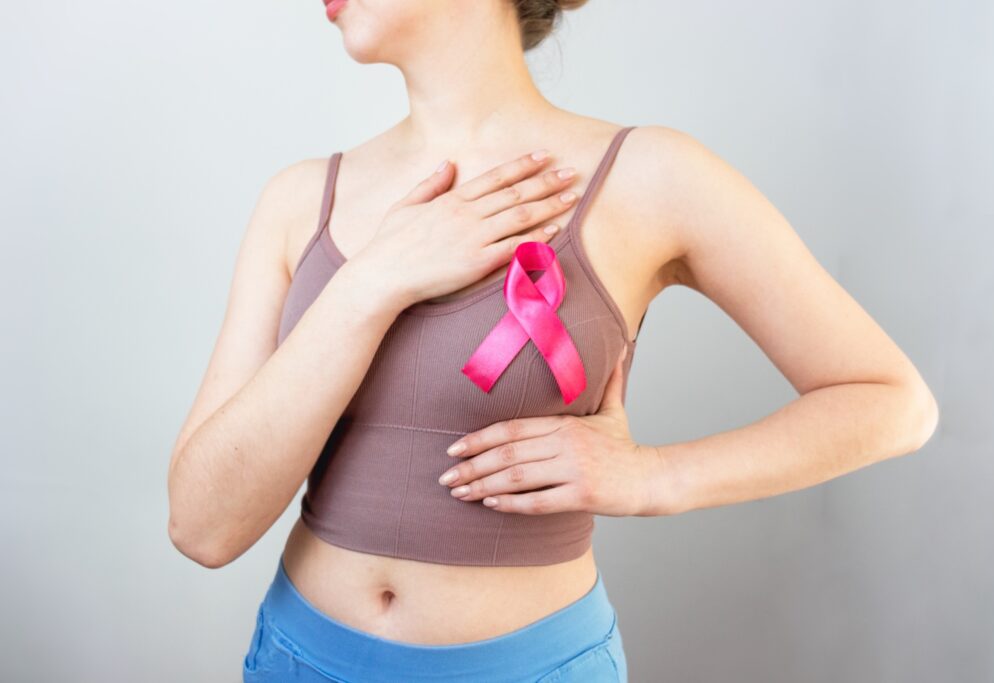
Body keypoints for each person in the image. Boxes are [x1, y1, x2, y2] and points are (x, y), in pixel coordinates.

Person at [167, 1, 939, 681]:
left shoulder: (649, 176)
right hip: (299, 659)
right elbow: (202, 527)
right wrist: (373, 281)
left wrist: (654, 478)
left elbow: (892, 401)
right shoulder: (296, 201)